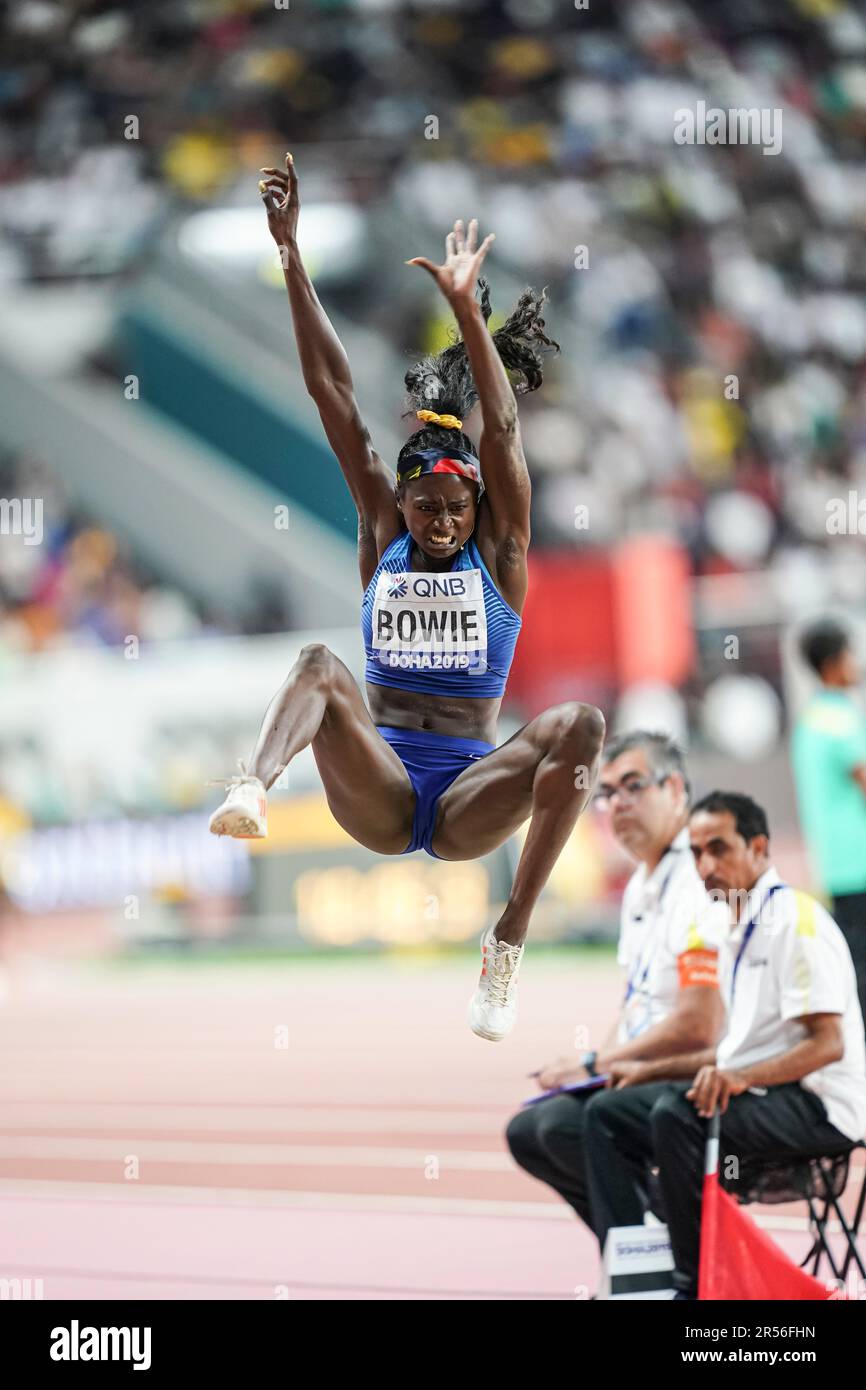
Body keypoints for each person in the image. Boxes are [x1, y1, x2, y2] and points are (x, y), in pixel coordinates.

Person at [208, 152, 606, 1040]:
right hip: (382, 789)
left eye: (454, 511)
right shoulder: (382, 534)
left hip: (469, 797)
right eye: (423, 507)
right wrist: (291, 257)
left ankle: (508, 942)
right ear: (401, 501)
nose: (436, 525)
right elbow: (333, 394)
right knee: (317, 663)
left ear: (478, 508)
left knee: (579, 723)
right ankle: (252, 786)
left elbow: (500, 427)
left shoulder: (501, 555)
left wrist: (467, 311)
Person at [581, 791, 866, 1300]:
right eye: (695, 853)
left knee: (677, 1115)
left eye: (719, 848)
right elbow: (736, 1051)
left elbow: (828, 1046)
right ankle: (641, 1278)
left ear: (759, 847)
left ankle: (694, 1289)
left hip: (821, 1106)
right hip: (767, 1091)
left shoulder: (795, 923)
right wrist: (650, 1070)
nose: (706, 865)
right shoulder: (737, 927)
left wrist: (738, 1077)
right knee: (607, 1113)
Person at [505, 731, 725, 1228]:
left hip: (698, 1076)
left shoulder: (702, 879)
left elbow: (699, 1024)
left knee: (574, 1124)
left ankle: (645, 1263)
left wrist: (594, 1061)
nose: (617, 805)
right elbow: (636, 1006)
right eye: (606, 794)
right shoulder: (642, 886)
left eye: (633, 786)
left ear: (675, 790)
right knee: (531, 1131)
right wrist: (596, 1070)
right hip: (643, 1074)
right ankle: (645, 1248)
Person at [792, 617, 866, 1028]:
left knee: (853, 963)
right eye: (851, 655)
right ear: (835, 663)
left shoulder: (811, 719)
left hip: (836, 864)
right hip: (861, 862)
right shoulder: (841, 720)